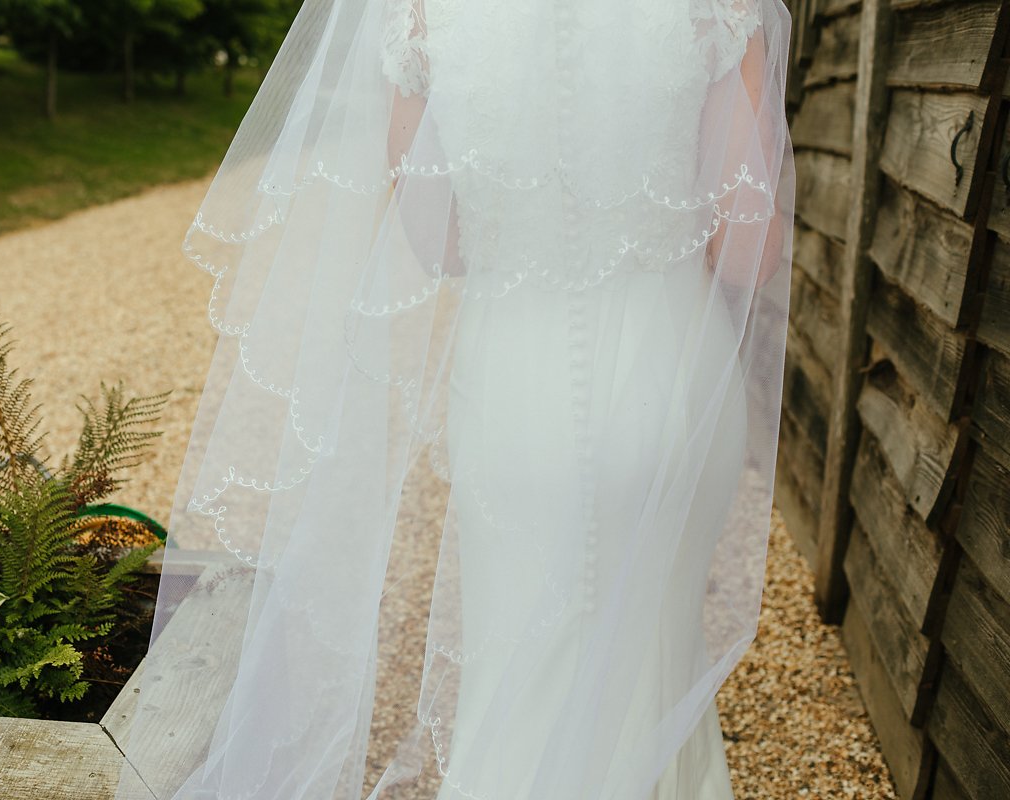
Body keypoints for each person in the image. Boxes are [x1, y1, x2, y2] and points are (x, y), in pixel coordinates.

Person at [119, 1, 794, 798]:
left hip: (513, 386)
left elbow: (437, 244)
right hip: (668, 374)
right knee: (654, 663)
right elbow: (748, 245)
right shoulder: (715, 7)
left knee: (516, 667)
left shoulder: (419, 12)